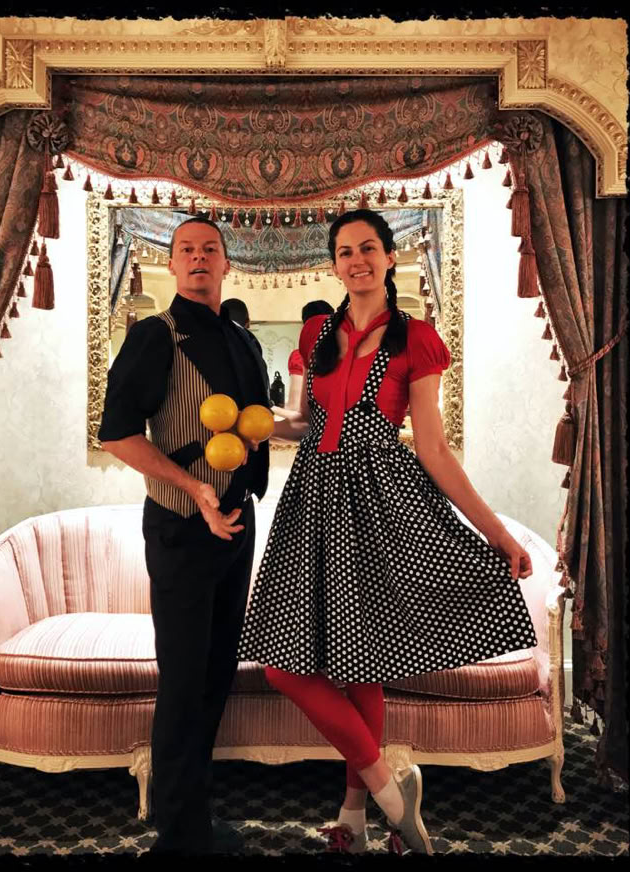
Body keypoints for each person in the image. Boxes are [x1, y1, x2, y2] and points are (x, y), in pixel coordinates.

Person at [237, 209, 538, 856]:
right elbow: (302, 422)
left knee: (362, 661)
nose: (357, 260)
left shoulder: (415, 340)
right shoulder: (318, 332)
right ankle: (389, 793)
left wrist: (496, 534)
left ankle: (355, 818)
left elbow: (433, 448)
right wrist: (254, 424)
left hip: (381, 502)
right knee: (284, 667)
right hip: (312, 499)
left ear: (390, 257)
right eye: (345, 251)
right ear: (334, 263)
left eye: (368, 248)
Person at [98, 216, 271, 856]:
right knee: (183, 678)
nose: (199, 258)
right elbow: (117, 435)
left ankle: (194, 819)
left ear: (227, 263)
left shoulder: (243, 341)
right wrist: (192, 487)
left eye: (210, 249)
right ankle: (177, 834)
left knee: (216, 671)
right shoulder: (155, 336)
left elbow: (256, 425)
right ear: (171, 264)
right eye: (186, 250)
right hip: (180, 527)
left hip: (236, 524)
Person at [285, 300, 335, 410]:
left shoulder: (300, 356)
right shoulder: (348, 351)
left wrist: (272, 408)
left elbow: (295, 407)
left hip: (315, 419)